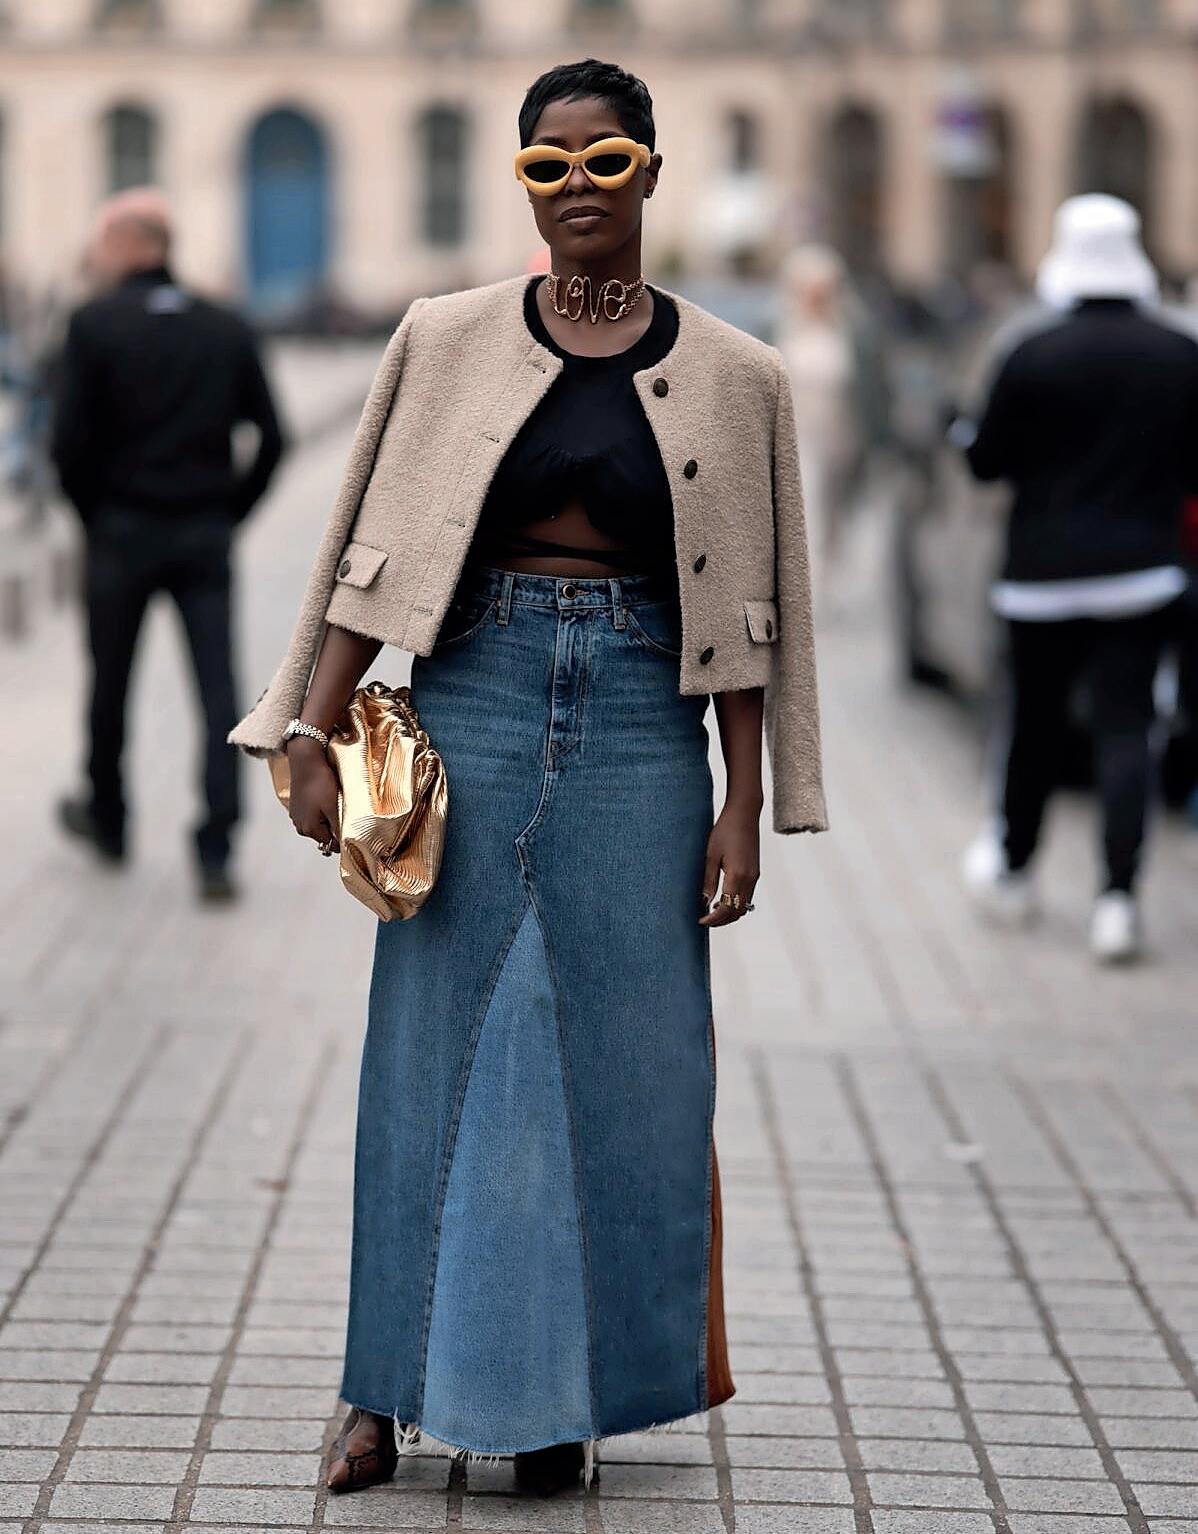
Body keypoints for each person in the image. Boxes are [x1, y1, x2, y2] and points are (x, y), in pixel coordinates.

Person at [228, 60, 826, 1497]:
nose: (574, 189)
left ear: (650, 172)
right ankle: (380, 1390)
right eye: (545, 165)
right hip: (475, 699)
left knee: (632, 1068)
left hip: (641, 724)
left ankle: (566, 1401)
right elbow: (370, 554)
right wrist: (307, 730)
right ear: (522, 181)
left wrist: (744, 801)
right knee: (431, 1054)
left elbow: (751, 617)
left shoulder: (738, 375)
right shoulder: (442, 338)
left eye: (603, 160)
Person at [959, 195, 1198, 961]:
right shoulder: (1179, 353)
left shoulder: (1031, 352)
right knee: (1128, 731)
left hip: (1042, 578)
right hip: (1142, 574)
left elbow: (985, 460)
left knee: (1034, 727)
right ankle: (1118, 902)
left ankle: (1016, 870)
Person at [52, 188, 286, 900]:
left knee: (110, 682)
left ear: (129, 244)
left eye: (103, 243)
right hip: (203, 532)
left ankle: (109, 817)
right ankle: (216, 845)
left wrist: (96, 516)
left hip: (121, 531)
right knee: (216, 688)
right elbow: (273, 437)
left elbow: (66, 446)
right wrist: (229, 511)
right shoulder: (224, 326)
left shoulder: (93, 324)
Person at [775, 243, 889, 609]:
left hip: (842, 438)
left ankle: (828, 578)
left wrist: (877, 437)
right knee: (806, 511)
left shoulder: (852, 332)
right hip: (795, 438)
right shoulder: (780, 329)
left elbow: (872, 390)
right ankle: (805, 585)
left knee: (837, 514)